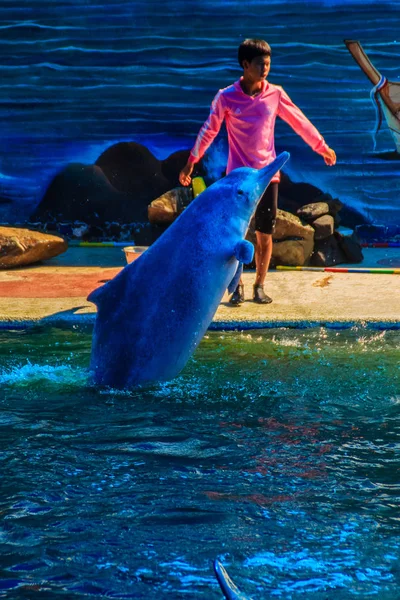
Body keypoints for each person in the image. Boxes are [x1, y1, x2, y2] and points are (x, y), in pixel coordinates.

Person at [179, 39, 336, 305]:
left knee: (265, 234)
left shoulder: (275, 94)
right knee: (233, 236)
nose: (266, 68)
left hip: (267, 177)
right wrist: (192, 160)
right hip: (238, 179)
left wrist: (321, 146)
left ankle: (259, 285)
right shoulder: (226, 97)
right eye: (261, 63)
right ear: (245, 65)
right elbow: (209, 130)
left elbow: (299, 120)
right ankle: (235, 284)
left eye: (268, 63)